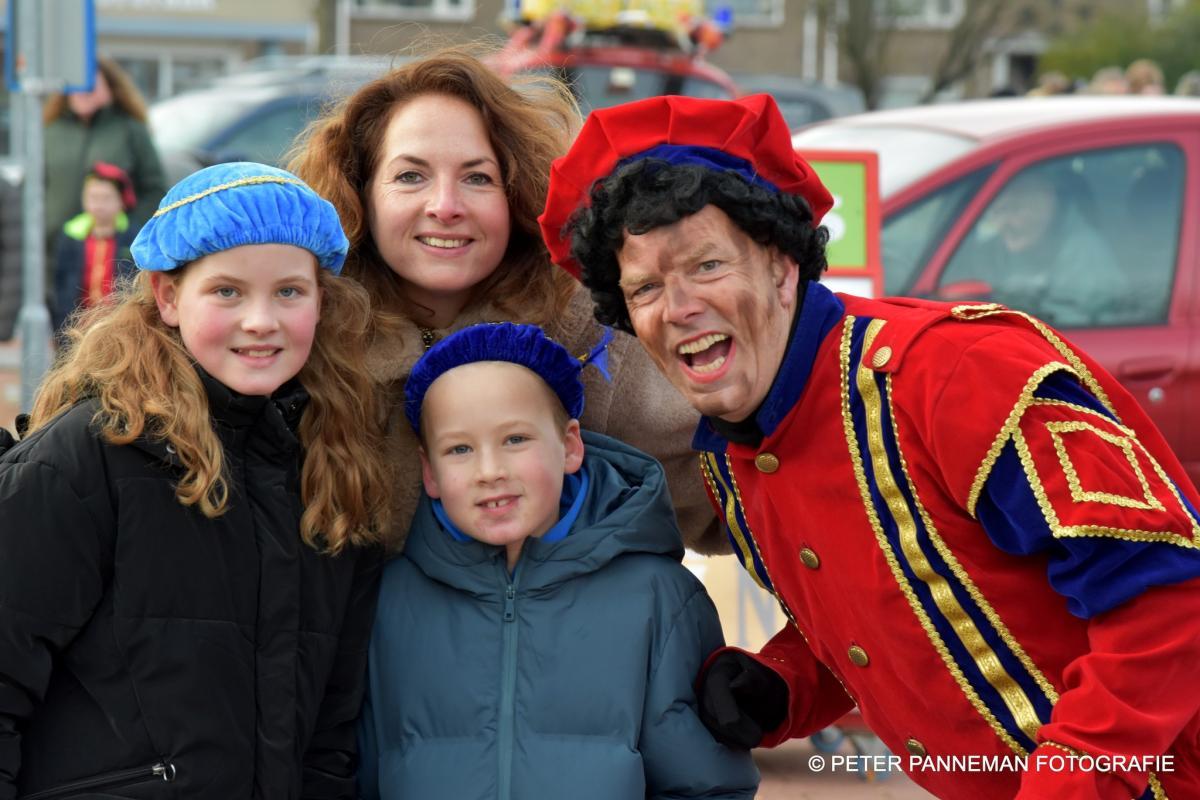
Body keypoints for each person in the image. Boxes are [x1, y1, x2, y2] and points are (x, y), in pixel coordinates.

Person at [539, 94, 1200, 799]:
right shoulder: (729, 454)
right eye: (644, 288)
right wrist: (784, 683)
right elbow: (896, 606)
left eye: (706, 266)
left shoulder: (955, 377)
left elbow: (1169, 596)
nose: (677, 308)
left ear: (782, 266)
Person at [0, 162, 392, 797]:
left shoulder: (335, 469)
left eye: (289, 292)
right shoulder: (87, 457)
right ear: (168, 297)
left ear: (321, 301)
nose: (261, 320)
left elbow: (329, 732)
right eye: (227, 291)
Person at [288, 47, 724, 556]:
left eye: (478, 177)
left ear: (515, 193)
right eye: (411, 176)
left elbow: (735, 504)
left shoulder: (589, 333)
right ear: (361, 194)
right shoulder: (306, 337)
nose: (445, 206)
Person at [357, 321, 759, 799]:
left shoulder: (659, 599)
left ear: (569, 446)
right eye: (459, 449)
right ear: (430, 472)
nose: (490, 471)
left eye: (515, 440)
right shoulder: (389, 600)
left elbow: (707, 785)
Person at [939, 166, 1134, 327]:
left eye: (1014, 209)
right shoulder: (991, 250)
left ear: (1046, 203)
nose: (1003, 224)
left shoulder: (1085, 255)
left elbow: (1075, 327)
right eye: (997, 212)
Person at [43, 56, 166, 263]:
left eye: (90, 85)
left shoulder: (129, 129)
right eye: (76, 85)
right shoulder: (50, 131)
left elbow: (154, 189)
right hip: (57, 252)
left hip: (113, 254)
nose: (83, 92)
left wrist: (130, 232)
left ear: (110, 88)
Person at [51, 161, 139, 333]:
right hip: (78, 326)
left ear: (121, 201)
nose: (99, 205)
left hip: (120, 325)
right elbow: (60, 284)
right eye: (93, 198)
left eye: (106, 198)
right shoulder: (71, 235)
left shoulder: (133, 237)